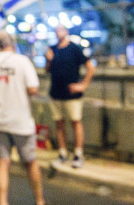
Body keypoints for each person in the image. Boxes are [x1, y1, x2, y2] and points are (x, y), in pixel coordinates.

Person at [0, 31, 46, 205]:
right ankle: (39, 200)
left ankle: (3, 201)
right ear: (13, 44)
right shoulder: (23, 62)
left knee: (2, 162)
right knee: (30, 163)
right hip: (21, 121)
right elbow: (32, 89)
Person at [45, 25, 95, 168]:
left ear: (66, 32)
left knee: (75, 122)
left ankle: (78, 153)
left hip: (72, 94)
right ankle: (62, 153)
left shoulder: (74, 48)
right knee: (59, 123)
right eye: (56, 30)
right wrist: (48, 60)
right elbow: (47, 70)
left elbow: (91, 67)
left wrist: (83, 85)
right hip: (55, 92)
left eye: (61, 30)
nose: (58, 32)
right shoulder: (52, 49)